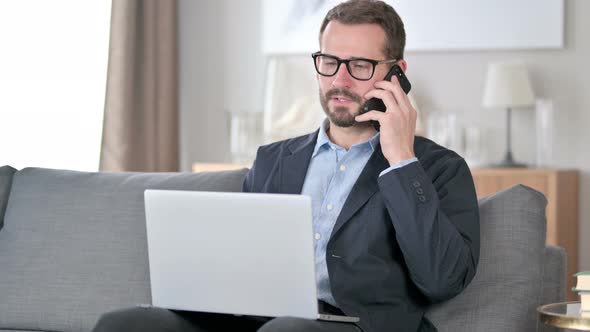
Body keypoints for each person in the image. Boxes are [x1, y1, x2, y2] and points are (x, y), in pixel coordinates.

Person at [92, 1, 480, 331]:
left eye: (360, 65)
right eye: (330, 61)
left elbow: (442, 280)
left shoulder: (436, 169)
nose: (340, 80)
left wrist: (400, 159)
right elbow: (239, 263)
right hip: (255, 320)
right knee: (124, 324)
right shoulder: (273, 160)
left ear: (396, 73)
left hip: (352, 326)